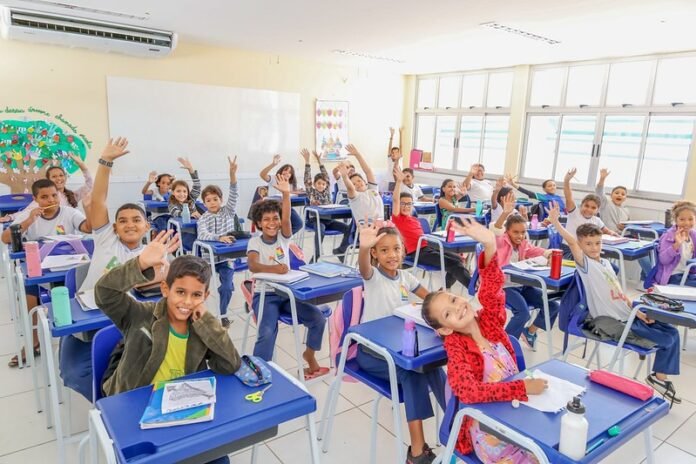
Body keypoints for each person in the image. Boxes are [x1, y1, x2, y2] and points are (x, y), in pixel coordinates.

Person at [421, 218, 548, 463]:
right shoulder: (456, 347)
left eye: (454, 300)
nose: (458, 308)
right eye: (447, 314)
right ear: (445, 329)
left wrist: (490, 246)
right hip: (490, 434)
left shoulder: (488, 323)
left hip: (515, 415)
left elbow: (491, 293)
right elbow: (469, 392)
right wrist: (521, 388)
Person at [548, 202, 681, 403]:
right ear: (581, 245)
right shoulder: (586, 265)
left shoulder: (606, 264)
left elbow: (620, 294)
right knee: (666, 340)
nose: (594, 248)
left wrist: (637, 311)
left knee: (672, 332)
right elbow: (572, 243)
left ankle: (659, 377)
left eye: (597, 243)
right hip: (614, 321)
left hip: (629, 315)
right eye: (588, 244)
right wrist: (556, 223)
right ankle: (659, 377)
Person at [95, 230, 241, 400]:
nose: (187, 301)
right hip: (133, 401)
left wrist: (208, 322)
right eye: (180, 292)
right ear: (165, 289)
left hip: (179, 402)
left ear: (205, 296)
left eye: (196, 295)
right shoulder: (142, 314)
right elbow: (104, 292)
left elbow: (230, 364)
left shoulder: (202, 326)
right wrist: (140, 264)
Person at [357, 221, 446, 464]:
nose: (391, 255)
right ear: (375, 253)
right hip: (372, 351)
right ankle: (417, 451)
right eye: (383, 250)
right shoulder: (373, 277)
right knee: (412, 373)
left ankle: (458, 421)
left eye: (396, 249)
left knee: (432, 366)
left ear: (403, 250)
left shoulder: (406, 277)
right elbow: (364, 268)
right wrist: (363, 248)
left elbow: (430, 299)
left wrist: (443, 305)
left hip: (399, 347)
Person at [3, 178, 92, 367]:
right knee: (30, 294)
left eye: (54, 195)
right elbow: (5, 238)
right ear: (35, 199)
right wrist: (29, 220)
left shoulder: (69, 212)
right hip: (41, 270)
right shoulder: (28, 215)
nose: (51, 200)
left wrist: (90, 207)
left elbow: (88, 228)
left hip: (69, 267)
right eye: (44, 197)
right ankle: (33, 342)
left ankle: (79, 338)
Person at [247, 174, 328, 380]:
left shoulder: (283, 237)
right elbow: (253, 265)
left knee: (318, 318)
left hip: (287, 293)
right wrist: (275, 269)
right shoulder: (255, 242)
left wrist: (285, 194)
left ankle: (309, 354)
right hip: (265, 295)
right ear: (258, 223)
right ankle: (259, 373)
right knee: (267, 332)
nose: (272, 223)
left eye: (275, 218)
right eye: (266, 220)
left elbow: (285, 219)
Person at [79, 138, 161, 294]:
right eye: (123, 221)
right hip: (91, 305)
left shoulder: (149, 253)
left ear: (147, 226)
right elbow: (98, 201)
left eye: (136, 220)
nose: (130, 225)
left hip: (127, 308)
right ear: (115, 228)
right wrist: (106, 161)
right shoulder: (106, 239)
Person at [492, 193, 557, 349]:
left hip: (522, 285)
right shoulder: (501, 241)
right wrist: (505, 213)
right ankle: (504, 346)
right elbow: (496, 230)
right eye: (516, 232)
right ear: (507, 231)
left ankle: (530, 331)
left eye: (522, 232)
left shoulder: (522, 243)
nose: (520, 236)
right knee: (523, 313)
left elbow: (533, 250)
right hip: (504, 287)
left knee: (553, 306)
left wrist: (548, 253)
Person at [391, 167, 470, 291]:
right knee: (453, 264)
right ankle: (473, 288)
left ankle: (445, 289)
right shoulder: (398, 219)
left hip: (429, 247)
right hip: (417, 252)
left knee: (459, 259)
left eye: (409, 204)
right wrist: (399, 182)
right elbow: (395, 200)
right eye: (403, 204)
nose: (406, 206)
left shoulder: (415, 219)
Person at [197, 156, 240, 328]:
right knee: (200, 287)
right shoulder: (203, 218)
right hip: (208, 260)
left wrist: (232, 175)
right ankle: (199, 315)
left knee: (227, 287)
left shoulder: (228, 212)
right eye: (208, 200)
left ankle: (223, 315)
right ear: (204, 203)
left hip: (226, 259)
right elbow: (202, 234)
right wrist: (218, 237)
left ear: (221, 200)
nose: (212, 202)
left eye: (215, 199)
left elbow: (234, 194)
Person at [1, 154, 93, 223]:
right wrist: (9, 217)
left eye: (61, 175)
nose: (59, 179)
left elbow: (90, 185)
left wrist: (82, 165)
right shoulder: (46, 198)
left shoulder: (73, 195)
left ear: (65, 177)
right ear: (48, 180)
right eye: (54, 176)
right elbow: (27, 212)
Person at [301, 148, 349, 261]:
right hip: (316, 220)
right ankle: (316, 255)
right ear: (314, 184)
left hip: (329, 220)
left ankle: (340, 250)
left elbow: (325, 175)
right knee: (321, 230)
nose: (321, 186)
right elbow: (307, 178)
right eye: (318, 183)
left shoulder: (327, 191)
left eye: (323, 184)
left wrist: (319, 160)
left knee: (347, 228)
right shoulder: (311, 192)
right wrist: (307, 161)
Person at [563, 167, 617, 239]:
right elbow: (568, 197)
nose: (589, 209)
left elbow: (607, 231)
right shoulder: (574, 213)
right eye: (586, 206)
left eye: (593, 208)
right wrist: (566, 180)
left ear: (597, 210)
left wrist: (613, 233)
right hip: (569, 245)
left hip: (586, 245)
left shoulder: (597, 220)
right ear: (581, 205)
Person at [338, 144, 384, 224]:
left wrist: (357, 155)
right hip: (367, 228)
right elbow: (350, 188)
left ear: (365, 182)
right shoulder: (355, 197)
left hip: (381, 226)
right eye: (354, 184)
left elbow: (368, 171)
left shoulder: (372, 190)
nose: (358, 184)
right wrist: (345, 176)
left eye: (359, 181)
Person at [259, 154, 303, 235]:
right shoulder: (275, 179)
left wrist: (293, 192)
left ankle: (282, 238)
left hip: (285, 207)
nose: (287, 173)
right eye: (285, 170)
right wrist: (273, 164)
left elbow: (302, 192)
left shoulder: (292, 184)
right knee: (278, 224)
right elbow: (262, 175)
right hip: (272, 207)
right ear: (281, 171)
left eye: (290, 172)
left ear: (291, 175)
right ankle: (277, 237)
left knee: (298, 224)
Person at [655, 200, 696, 287]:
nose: (687, 223)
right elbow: (663, 260)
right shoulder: (669, 235)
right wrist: (676, 244)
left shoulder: (693, 235)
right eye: (682, 219)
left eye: (690, 219)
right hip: (673, 276)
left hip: (689, 274)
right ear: (676, 220)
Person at [595, 168, 629, 233]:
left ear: (625, 198)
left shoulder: (626, 210)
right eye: (617, 193)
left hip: (620, 235)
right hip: (606, 234)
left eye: (623, 194)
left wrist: (624, 227)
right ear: (611, 195)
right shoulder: (606, 203)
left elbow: (628, 225)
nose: (619, 195)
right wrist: (602, 178)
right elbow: (599, 191)